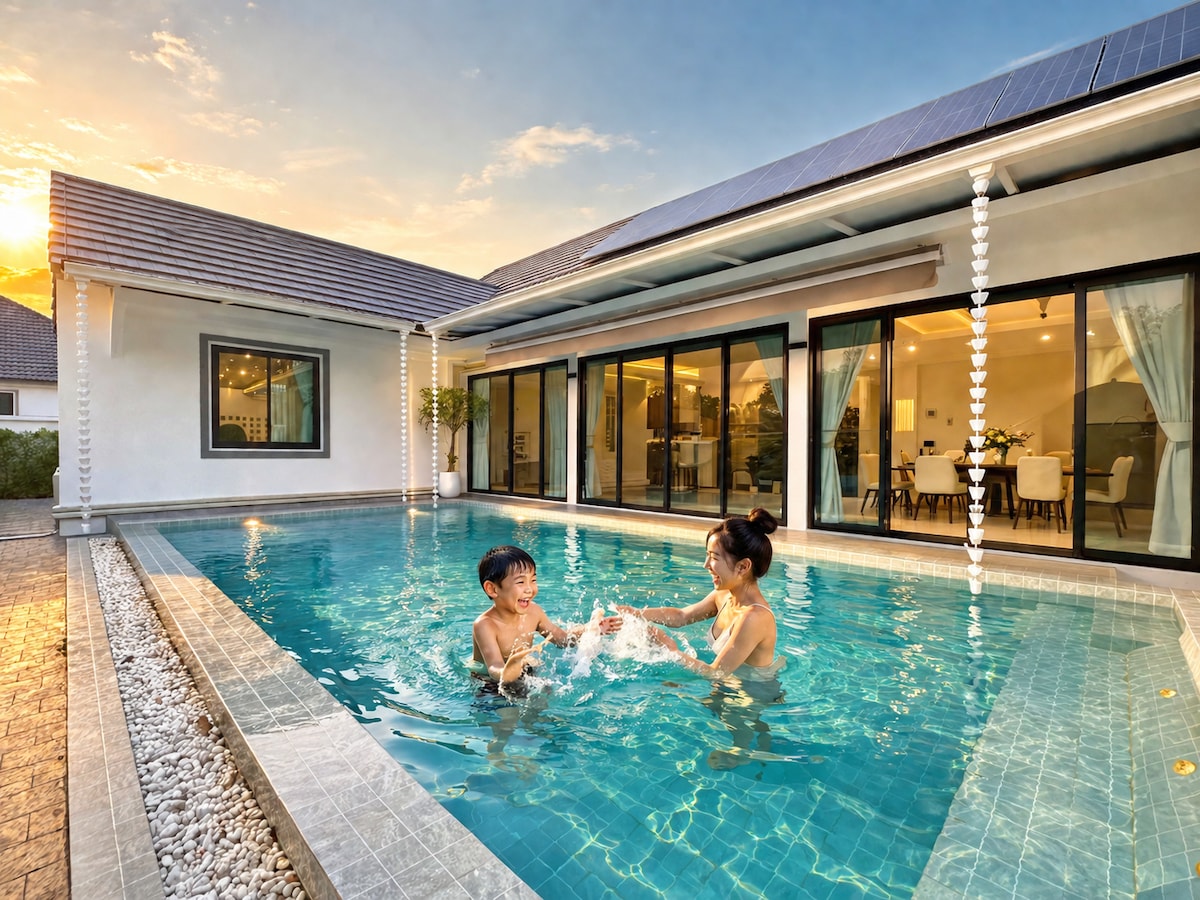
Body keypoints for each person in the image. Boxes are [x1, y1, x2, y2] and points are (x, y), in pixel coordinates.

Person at [617, 507, 784, 682]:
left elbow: (715, 673)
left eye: (714, 558)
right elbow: (681, 616)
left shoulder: (755, 618)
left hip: (752, 695)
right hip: (726, 688)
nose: (706, 565)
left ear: (743, 566)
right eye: (707, 556)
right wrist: (634, 613)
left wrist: (671, 650)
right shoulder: (725, 596)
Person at [472, 545, 622, 689]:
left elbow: (563, 640)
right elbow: (494, 668)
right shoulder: (485, 625)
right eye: (520, 582)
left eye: (533, 580)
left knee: (546, 690)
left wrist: (591, 628)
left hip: (522, 670)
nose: (530, 589)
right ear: (492, 589)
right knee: (509, 705)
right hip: (491, 682)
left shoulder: (533, 612)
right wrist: (510, 668)